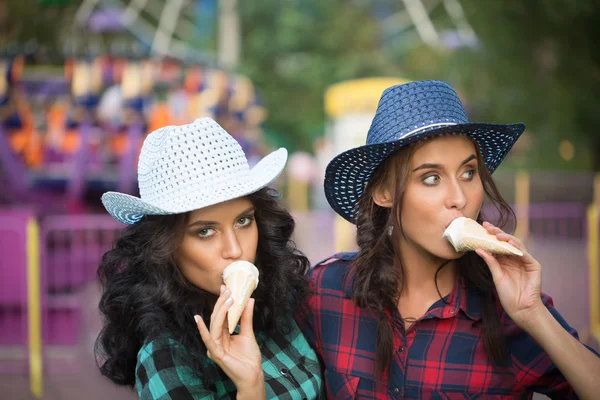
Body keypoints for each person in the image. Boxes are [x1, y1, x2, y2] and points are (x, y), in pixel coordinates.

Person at [297, 80, 600, 398]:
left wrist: (534, 314)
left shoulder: (510, 310)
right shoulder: (326, 290)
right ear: (384, 193)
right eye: (431, 178)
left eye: (468, 173)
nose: (459, 198)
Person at [96, 118, 323, 399]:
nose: (235, 249)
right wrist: (251, 386)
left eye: (243, 221)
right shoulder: (166, 358)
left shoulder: (279, 306)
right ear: (164, 248)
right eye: (205, 231)